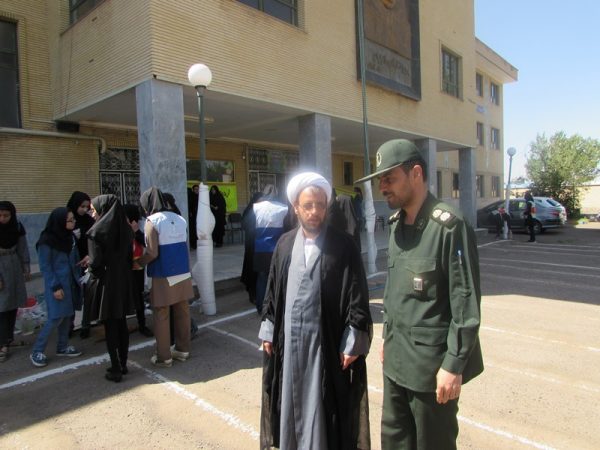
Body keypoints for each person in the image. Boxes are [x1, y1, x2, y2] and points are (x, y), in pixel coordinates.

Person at [355, 139, 483, 450]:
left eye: (389, 178)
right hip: (396, 363)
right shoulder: (397, 226)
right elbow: (395, 293)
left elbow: (465, 303)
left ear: (416, 174)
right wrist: (387, 338)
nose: (383, 187)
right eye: (380, 180)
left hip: (431, 371)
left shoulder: (449, 227)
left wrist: (453, 365)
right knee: (394, 442)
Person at [259, 172, 372, 450]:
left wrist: (352, 341)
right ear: (296, 207)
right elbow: (273, 290)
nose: (314, 212)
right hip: (290, 343)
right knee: (289, 398)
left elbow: (357, 293)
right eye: (307, 205)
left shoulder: (343, 246)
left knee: (324, 405)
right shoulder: (285, 244)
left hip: (326, 343)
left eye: (320, 205)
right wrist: (269, 329)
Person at [139, 187, 194, 367]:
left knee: (161, 313)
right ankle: (183, 349)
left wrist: (139, 262)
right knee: (182, 311)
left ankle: (164, 356)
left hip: (163, 273)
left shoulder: (152, 221)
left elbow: (152, 252)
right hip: (183, 271)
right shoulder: (180, 219)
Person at [86, 195, 135, 382]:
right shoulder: (126, 231)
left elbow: (95, 262)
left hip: (107, 283)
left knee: (110, 325)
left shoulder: (96, 232)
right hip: (123, 280)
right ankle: (123, 364)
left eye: (94, 209)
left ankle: (115, 368)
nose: (92, 213)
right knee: (121, 323)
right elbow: (129, 258)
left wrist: (90, 269)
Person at [30, 207, 82, 367]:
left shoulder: (70, 237)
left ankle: (62, 346)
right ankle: (37, 351)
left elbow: (74, 259)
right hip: (57, 284)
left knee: (67, 315)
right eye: (69, 220)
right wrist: (55, 287)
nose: (73, 222)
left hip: (70, 282)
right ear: (59, 222)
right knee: (55, 317)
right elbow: (45, 266)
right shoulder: (47, 241)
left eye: (73, 219)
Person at [0, 201, 30, 363]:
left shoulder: (17, 227)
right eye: (0, 215)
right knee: (2, 307)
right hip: (1, 268)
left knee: (13, 305)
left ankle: (8, 338)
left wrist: (26, 267)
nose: (2, 219)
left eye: (6, 215)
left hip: (14, 266)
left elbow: (22, 247)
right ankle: (2, 343)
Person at [251, 185, 289, 314]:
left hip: (260, 248)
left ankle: (260, 307)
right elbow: (288, 228)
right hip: (277, 249)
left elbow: (250, 227)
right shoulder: (283, 208)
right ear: (276, 194)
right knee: (277, 278)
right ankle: (275, 306)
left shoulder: (256, 207)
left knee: (262, 278)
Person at [66, 190, 95, 338]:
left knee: (88, 295)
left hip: (87, 262)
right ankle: (69, 325)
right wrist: (72, 236)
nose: (84, 209)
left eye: (86, 207)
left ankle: (86, 324)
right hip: (71, 264)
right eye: (81, 206)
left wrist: (91, 256)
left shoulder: (89, 221)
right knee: (71, 295)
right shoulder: (67, 219)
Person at [123, 203, 153, 337]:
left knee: (138, 297)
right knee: (124, 298)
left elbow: (146, 243)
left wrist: (136, 232)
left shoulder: (138, 229)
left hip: (138, 268)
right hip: (125, 269)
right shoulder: (120, 230)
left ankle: (142, 325)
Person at [240, 191, 262, 304]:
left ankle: (256, 293)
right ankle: (252, 293)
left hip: (258, 245)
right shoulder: (250, 211)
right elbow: (244, 225)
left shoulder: (261, 211)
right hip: (251, 245)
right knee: (251, 269)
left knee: (257, 270)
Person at [188, 184, 199, 250]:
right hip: (193, 216)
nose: (197, 191)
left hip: (199, 217)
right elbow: (190, 206)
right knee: (193, 230)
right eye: (195, 189)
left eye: (198, 189)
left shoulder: (200, 197)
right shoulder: (191, 197)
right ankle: (193, 244)